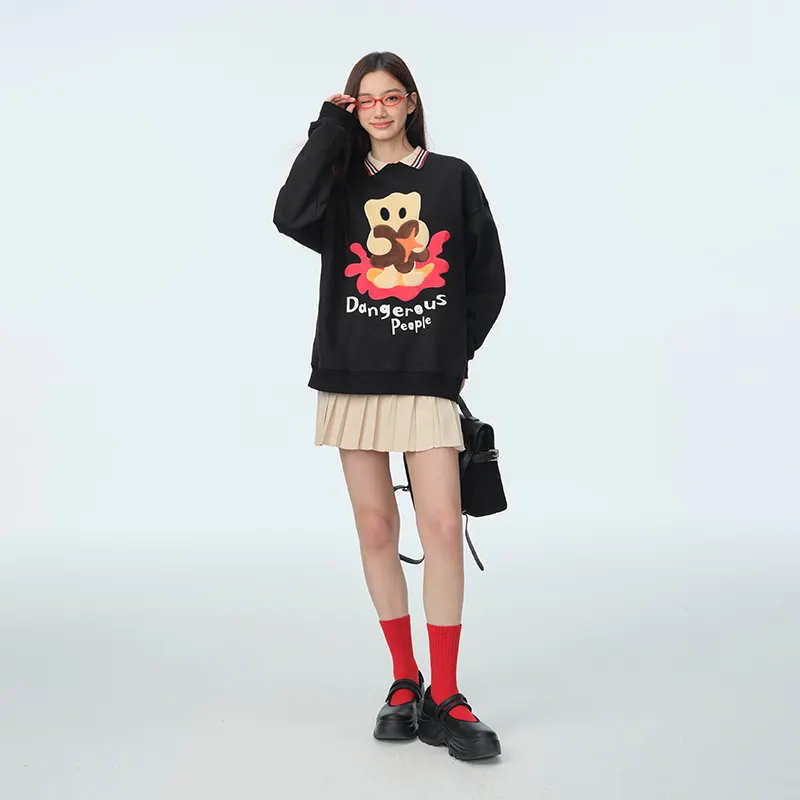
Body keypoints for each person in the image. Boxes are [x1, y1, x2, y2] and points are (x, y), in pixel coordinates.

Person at [273, 51, 506, 761]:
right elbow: (288, 214)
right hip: (352, 373)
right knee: (376, 529)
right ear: (356, 108)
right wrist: (327, 129)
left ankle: (448, 694)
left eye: (391, 96)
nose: (379, 109)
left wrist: (451, 353)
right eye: (365, 100)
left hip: (426, 376)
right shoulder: (339, 186)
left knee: (441, 527)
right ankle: (405, 680)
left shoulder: (451, 177)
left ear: (411, 102)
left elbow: (487, 277)